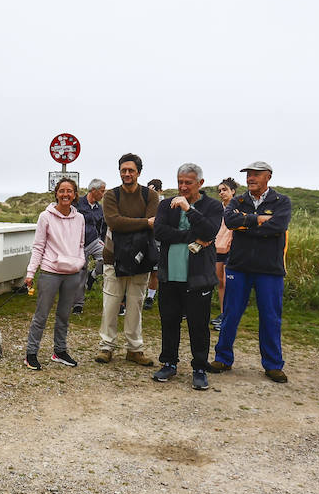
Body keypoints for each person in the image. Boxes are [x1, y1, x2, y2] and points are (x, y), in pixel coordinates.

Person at [210, 161, 293, 382]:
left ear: (268, 177)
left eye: (256, 174)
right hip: (239, 266)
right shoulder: (238, 200)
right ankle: (223, 358)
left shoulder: (282, 201)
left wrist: (245, 224)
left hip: (270, 269)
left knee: (270, 318)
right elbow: (230, 221)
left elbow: (278, 226)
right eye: (248, 175)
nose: (251, 178)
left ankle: (273, 365)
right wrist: (258, 220)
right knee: (230, 313)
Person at [152, 164, 224, 390]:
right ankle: (169, 363)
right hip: (169, 274)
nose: (182, 187)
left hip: (198, 277)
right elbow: (159, 231)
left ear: (200, 183)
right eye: (179, 181)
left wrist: (188, 210)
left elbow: (210, 232)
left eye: (188, 183)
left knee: (198, 324)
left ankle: (200, 367)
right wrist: (192, 236)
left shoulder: (212, 206)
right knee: (169, 321)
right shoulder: (166, 204)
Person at [95, 154, 159, 366]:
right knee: (111, 303)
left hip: (142, 259)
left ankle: (135, 349)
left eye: (131, 170)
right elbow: (114, 222)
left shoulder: (150, 195)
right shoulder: (112, 195)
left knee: (135, 304)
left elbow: (153, 222)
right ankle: (106, 347)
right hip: (114, 257)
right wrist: (143, 222)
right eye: (123, 170)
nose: (127, 174)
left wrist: (129, 223)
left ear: (139, 172)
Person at [22, 178, 85, 369]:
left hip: (73, 273)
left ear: (75, 195)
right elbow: (38, 246)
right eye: (62, 191)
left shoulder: (80, 218)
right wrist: (31, 272)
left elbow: (80, 244)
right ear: (56, 193)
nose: (65, 194)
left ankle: (60, 351)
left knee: (64, 315)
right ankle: (31, 354)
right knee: (41, 315)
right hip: (50, 272)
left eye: (69, 191)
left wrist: (80, 262)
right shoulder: (45, 216)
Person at [73, 179, 107, 316]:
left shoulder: (100, 208)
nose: (103, 194)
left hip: (94, 241)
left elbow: (103, 227)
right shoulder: (77, 204)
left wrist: (103, 241)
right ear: (94, 190)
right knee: (80, 274)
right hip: (78, 244)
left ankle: (92, 275)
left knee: (109, 258)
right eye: (102, 191)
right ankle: (78, 305)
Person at [212, 177, 239, 330]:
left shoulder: (238, 208)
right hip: (217, 248)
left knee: (229, 284)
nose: (221, 193)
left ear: (232, 191)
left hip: (232, 249)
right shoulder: (217, 208)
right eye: (220, 190)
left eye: (225, 190)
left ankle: (229, 317)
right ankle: (223, 313)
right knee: (220, 282)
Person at [143, 178, 164, 310]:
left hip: (158, 240)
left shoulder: (163, 203)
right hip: (145, 238)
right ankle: (140, 295)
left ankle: (150, 297)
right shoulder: (144, 201)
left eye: (155, 190)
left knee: (155, 271)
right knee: (143, 269)